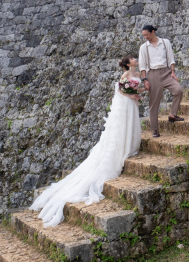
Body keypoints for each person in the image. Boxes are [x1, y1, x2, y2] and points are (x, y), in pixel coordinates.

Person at [29, 56, 142, 227]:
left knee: (131, 124)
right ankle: (123, 149)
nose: (135, 60)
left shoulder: (138, 74)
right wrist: (132, 95)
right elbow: (121, 90)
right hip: (126, 102)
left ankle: (130, 146)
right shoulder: (126, 75)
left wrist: (139, 93)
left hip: (132, 103)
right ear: (127, 64)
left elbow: (137, 89)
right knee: (122, 127)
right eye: (132, 59)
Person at [138, 25, 183, 138]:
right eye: (143, 35)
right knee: (154, 103)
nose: (145, 37)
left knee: (178, 90)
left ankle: (172, 114)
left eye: (147, 34)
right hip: (153, 74)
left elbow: (171, 58)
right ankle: (155, 129)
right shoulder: (144, 47)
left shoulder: (165, 42)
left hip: (166, 72)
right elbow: (142, 66)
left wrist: (173, 72)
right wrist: (145, 80)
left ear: (153, 32)